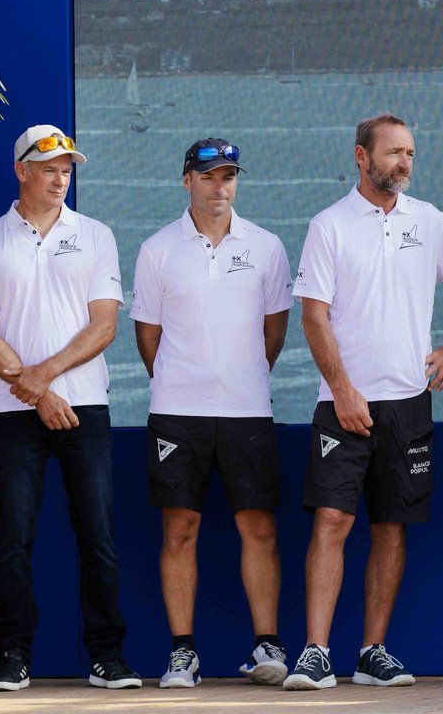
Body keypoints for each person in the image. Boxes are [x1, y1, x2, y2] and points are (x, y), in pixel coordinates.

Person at [283, 113, 443, 690]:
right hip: (344, 404)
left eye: (411, 154)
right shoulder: (329, 226)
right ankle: (316, 653)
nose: (405, 164)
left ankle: (373, 652)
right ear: (361, 156)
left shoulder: (430, 220)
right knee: (332, 520)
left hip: (409, 405)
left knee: (392, 526)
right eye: (395, 153)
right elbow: (313, 314)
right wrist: (343, 389)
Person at [0, 125, 141, 692]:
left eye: (66, 169)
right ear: (21, 171)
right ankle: (13, 656)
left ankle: (108, 658)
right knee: (14, 538)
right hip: (14, 412)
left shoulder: (96, 235)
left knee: (99, 537)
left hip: (83, 407)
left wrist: (42, 376)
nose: (60, 178)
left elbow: (104, 325)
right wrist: (38, 392)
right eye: (48, 168)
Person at [129, 139, 293, 688]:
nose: (218, 186)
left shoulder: (268, 247)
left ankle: (267, 645)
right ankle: (183, 654)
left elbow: (274, 334)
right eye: (207, 176)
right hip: (177, 412)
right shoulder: (156, 250)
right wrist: (185, 381)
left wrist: (239, 376)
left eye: (227, 176)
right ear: (186, 181)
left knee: (260, 528)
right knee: (179, 529)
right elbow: (147, 337)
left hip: (247, 411)